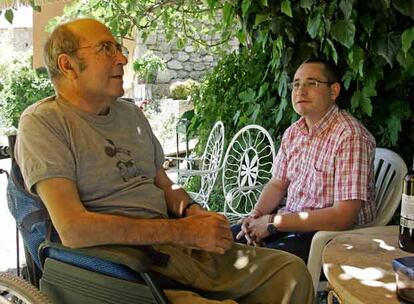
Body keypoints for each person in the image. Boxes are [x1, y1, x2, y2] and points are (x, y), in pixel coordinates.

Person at [15, 19, 314, 304]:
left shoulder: (130, 115)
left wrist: (194, 213)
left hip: (173, 248)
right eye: (106, 48)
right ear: (67, 65)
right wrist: (183, 232)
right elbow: (74, 228)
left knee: (290, 273)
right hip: (121, 266)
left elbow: (166, 185)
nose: (122, 58)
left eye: (118, 47)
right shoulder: (45, 123)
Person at [232, 58, 376, 263]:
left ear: (333, 91)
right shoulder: (294, 133)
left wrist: (273, 222)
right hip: (288, 223)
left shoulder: (350, 137)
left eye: (312, 83)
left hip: (329, 237)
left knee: (253, 264)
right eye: (296, 83)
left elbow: (343, 216)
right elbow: (277, 183)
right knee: (222, 242)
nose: (301, 90)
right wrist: (256, 215)